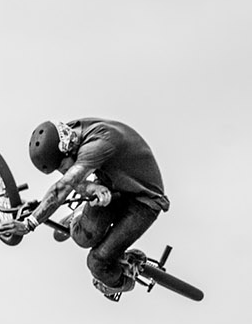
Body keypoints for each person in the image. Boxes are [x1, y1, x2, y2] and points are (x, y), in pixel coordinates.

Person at [13, 117, 170, 301]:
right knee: (82, 237)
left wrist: (30, 223)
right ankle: (79, 214)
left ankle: (124, 277)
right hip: (113, 187)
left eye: (63, 167)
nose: (64, 171)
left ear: (69, 149)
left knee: (97, 263)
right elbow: (70, 179)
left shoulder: (96, 146)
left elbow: (62, 187)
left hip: (144, 201)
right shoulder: (67, 135)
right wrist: (91, 188)